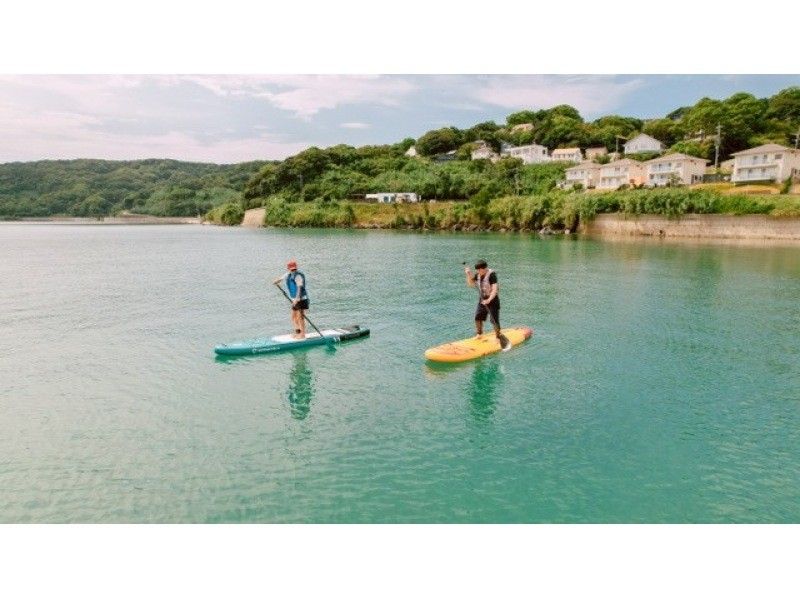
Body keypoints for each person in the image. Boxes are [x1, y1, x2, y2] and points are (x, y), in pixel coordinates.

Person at [465, 259, 502, 340]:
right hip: (482, 299)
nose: (478, 271)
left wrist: (489, 300)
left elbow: (495, 289)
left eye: (479, 269)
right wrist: (468, 274)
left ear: (484, 268)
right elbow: (471, 284)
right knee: (478, 317)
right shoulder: (478, 274)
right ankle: (479, 334)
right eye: (477, 270)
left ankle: (498, 337)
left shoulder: (492, 275)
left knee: (494, 320)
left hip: (492, 299)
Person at [273, 260, 309, 339]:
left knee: (300, 317)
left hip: (301, 299)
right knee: (293, 317)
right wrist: (276, 281)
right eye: (292, 269)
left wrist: (296, 299)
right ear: (288, 269)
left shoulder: (298, 276)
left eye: (294, 269)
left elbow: (299, 288)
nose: (293, 271)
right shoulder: (288, 274)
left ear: (296, 268)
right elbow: (281, 278)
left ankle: (302, 335)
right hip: (294, 300)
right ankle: (297, 332)